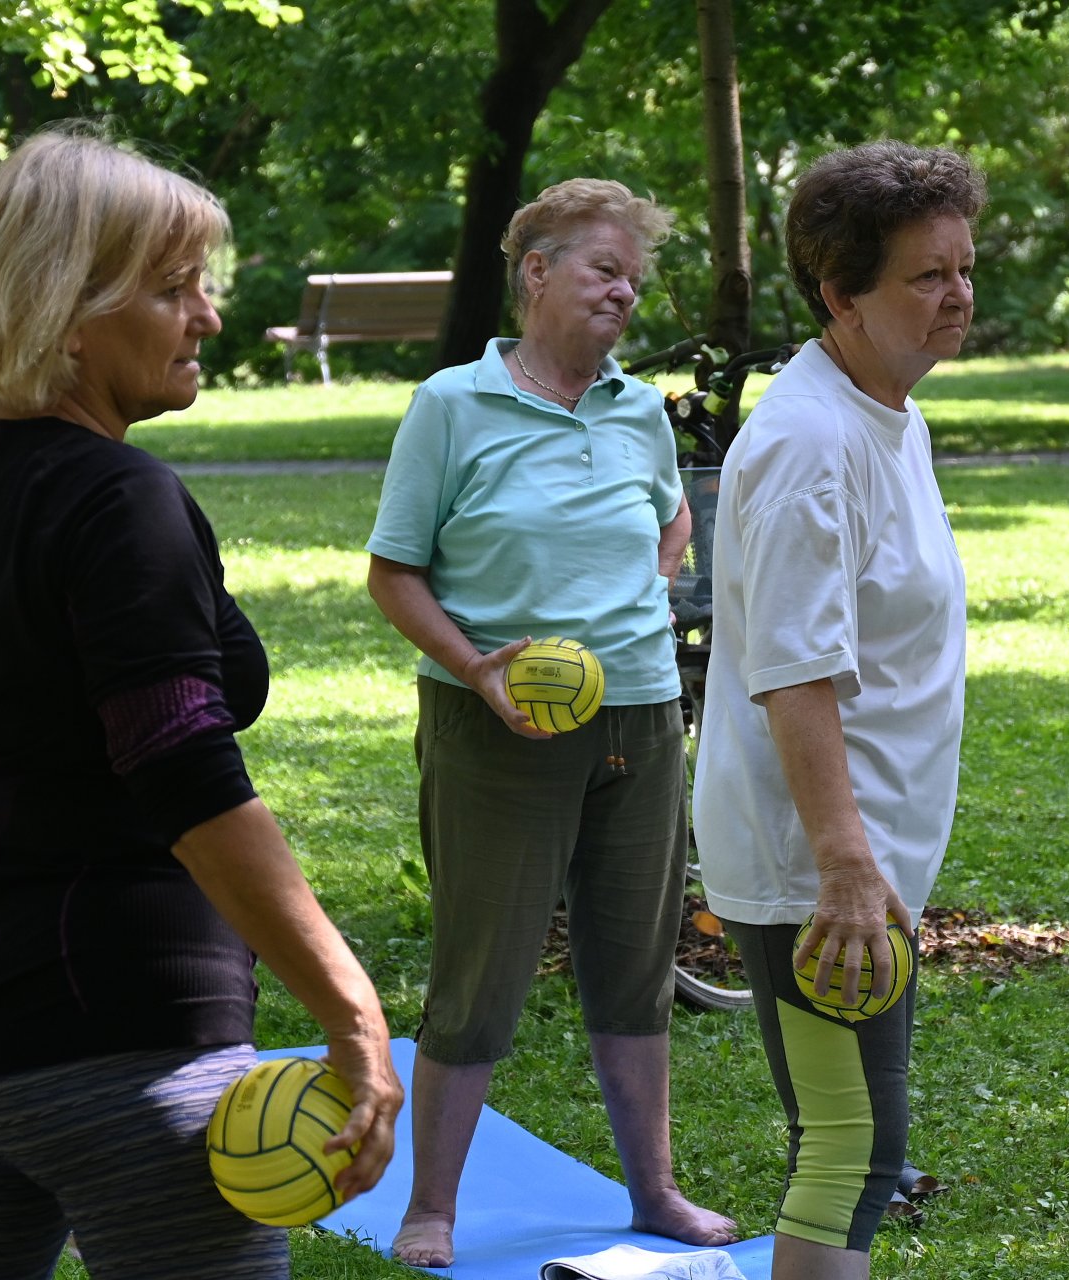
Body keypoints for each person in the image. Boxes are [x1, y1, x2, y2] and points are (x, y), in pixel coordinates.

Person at [0, 128, 401, 1280]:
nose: (207, 316)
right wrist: (353, 1012)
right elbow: (182, 767)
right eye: (174, 287)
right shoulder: (121, 499)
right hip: (133, 1047)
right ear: (69, 309)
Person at [366, 178, 735, 1268]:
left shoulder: (634, 409)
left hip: (642, 717)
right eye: (604, 270)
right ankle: (432, 1205)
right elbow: (394, 575)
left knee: (636, 958)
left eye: (634, 277)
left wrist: (634, 610)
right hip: (495, 725)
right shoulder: (451, 404)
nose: (626, 292)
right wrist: (479, 667)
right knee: (482, 968)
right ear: (536, 272)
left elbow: (669, 520)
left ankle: (655, 1191)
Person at [692, 140, 985, 1280]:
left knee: (861, 1139)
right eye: (925, 275)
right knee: (852, 1147)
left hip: (860, 848)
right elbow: (792, 674)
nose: (957, 295)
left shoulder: (886, 410)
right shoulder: (813, 443)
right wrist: (847, 867)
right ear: (838, 292)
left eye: (963, 268)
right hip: (817, 860)